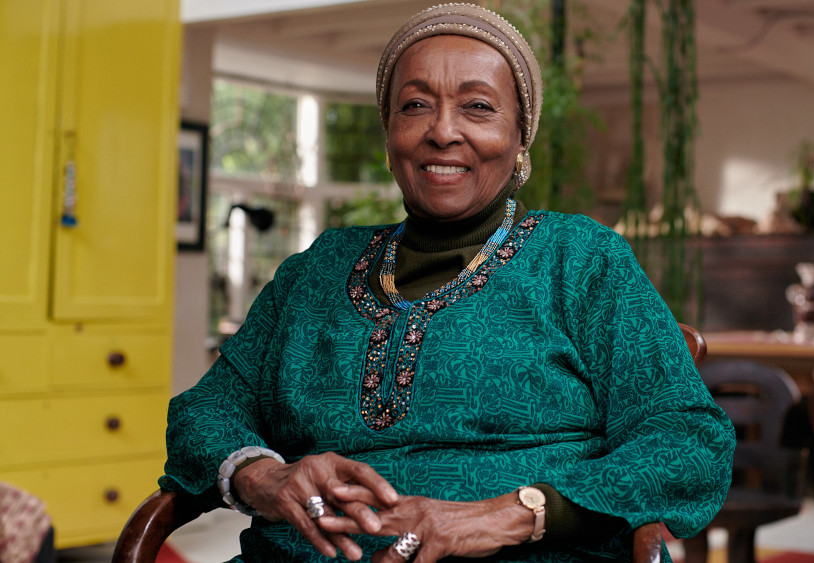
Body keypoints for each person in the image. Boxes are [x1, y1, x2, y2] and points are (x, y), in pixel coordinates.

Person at [160, 4, 735, 562]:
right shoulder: (314, 271)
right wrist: (266, 476)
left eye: (478, 107)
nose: (442, 131)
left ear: (520, 139)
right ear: (389, 136)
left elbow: (687, 441)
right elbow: (204, 411)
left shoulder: (582, 260)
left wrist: (505, 515)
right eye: (415, 105)